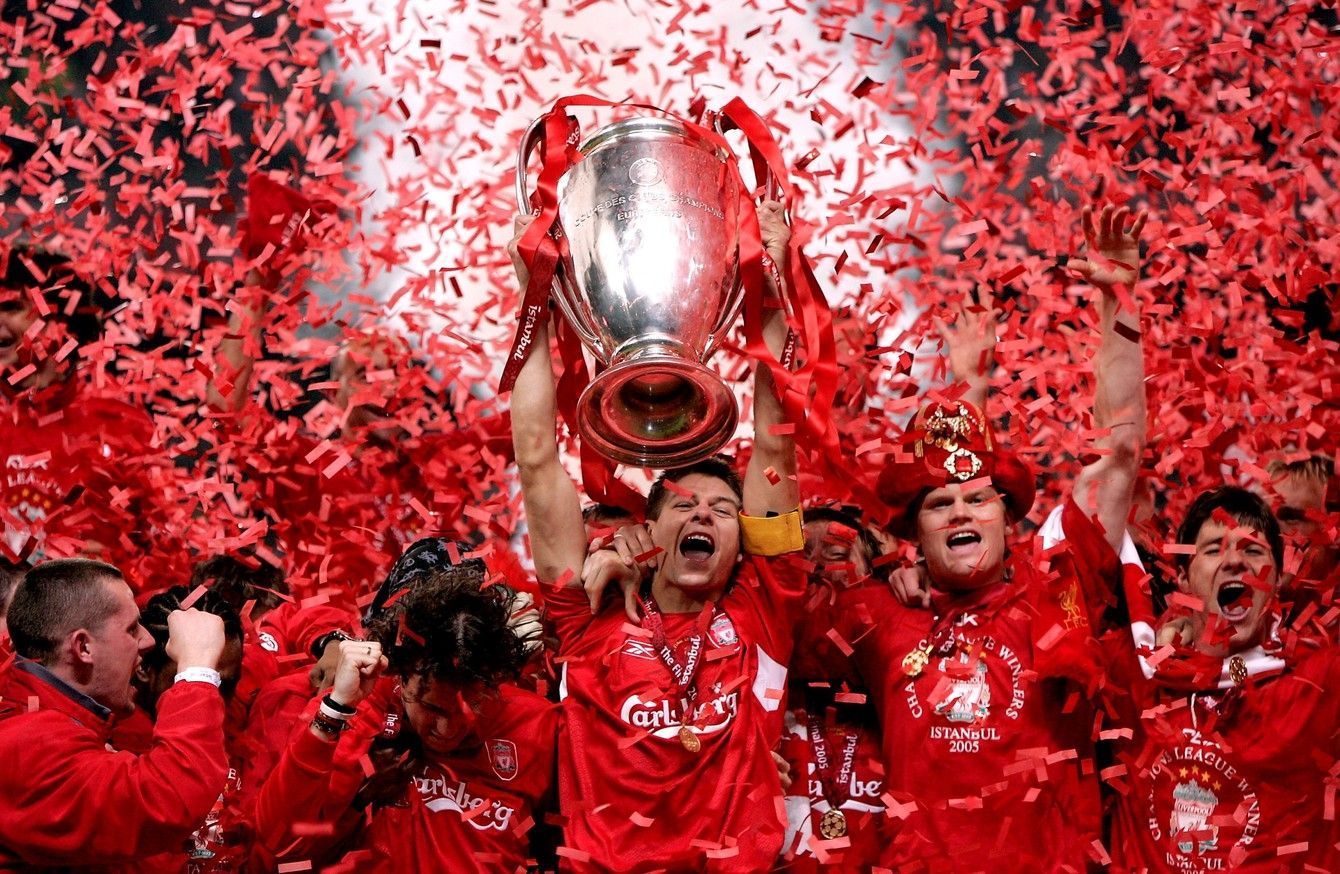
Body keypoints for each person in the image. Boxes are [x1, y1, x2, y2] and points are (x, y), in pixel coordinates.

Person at [838, 204, 1148, 870]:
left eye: (980, 501)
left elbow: (1118, 448)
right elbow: (771, 583)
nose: (961, 513)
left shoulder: (1062, 581)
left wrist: (1118, 300)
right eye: (941, 505)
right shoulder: (877, 611)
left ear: (1010, 520)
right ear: (911, 534)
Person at [510, 199, 808, 871]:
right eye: (683, 504)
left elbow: (776, 446)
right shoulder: (587, 619)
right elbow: (534, 454)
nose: (703, 514)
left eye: (723, 510)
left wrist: (773, 282)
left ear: (746, 542)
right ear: (647, 528)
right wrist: (529, 293)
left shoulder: (764, 607)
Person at [253, 557, 559, 872]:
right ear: (401, 676)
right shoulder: (361, 708)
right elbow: (279, 843)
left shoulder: (540, 725)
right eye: (432, 707)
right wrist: (336, 711)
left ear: (493, 681)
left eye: (472, 706)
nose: (448, 727)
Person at [1101, 486, 1340, 871]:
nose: (1234, 562)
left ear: (1277, 578)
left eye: (1253, 550)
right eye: (1213, 550)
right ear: (1181, 576)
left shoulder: (1320, 683)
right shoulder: (1138, 671)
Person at [0, 558, 230, 868]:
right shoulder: (31, 744)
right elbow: (168, 799)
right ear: (83, 647)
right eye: (132, 628)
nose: (148, 641)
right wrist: (197, 668)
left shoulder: (44, 719)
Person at [112, 585, 250, 873]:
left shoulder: (240, 715)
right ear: (143, 668)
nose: (212, 696)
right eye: (195, 673)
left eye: (225, 683)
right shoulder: (110, 756)